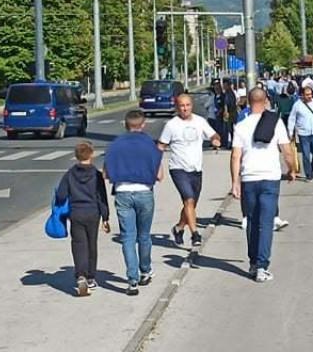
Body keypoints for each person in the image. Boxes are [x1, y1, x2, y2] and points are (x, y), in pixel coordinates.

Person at [230, 88, 298, 283]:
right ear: (266, 100)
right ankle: (262, 267)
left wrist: (235, 182)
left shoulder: (241, 126)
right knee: (266, 222)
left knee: (251, 221)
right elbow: (286, 150)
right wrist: (292, 169)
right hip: (270, 178)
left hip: (248, 179)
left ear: (248, 102)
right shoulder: (276, 123)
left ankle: (252, 263)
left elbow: (236, 156)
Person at [103, 110, 165, 296]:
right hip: (145, 193)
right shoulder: (150, 145)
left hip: (122, 193)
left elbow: (106, 174)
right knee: (144, 235)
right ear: (143, 125)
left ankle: (132, 281)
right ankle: (145, 271)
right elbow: (160, 175)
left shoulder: (115, 145)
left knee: (128, 237)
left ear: (125, 124)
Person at [158, 94, 221, 248]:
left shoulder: (200, 121)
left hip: (196, 169)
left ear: (191, 105)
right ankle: (195, 234)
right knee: (189, 200)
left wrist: (215, 139)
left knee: (191, 204)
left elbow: (213, 134)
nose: (185, 108)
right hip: (178, 168)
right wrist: (157, 167)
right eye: (181, 106)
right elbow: (160, 146)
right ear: (177, 107)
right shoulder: (171, 125)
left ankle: (179, 228)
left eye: (187, 105)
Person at [55, 141, 110, 297]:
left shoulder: (69, 174)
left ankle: (81, 275)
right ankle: (91, 277)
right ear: (91, 155)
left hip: (76, 213)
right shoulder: (97, 175)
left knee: (79, 244)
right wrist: (105, 217)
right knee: (92, 245)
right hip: (93, 213)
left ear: (76, 156)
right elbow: (101, 197)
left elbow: (61, 195)